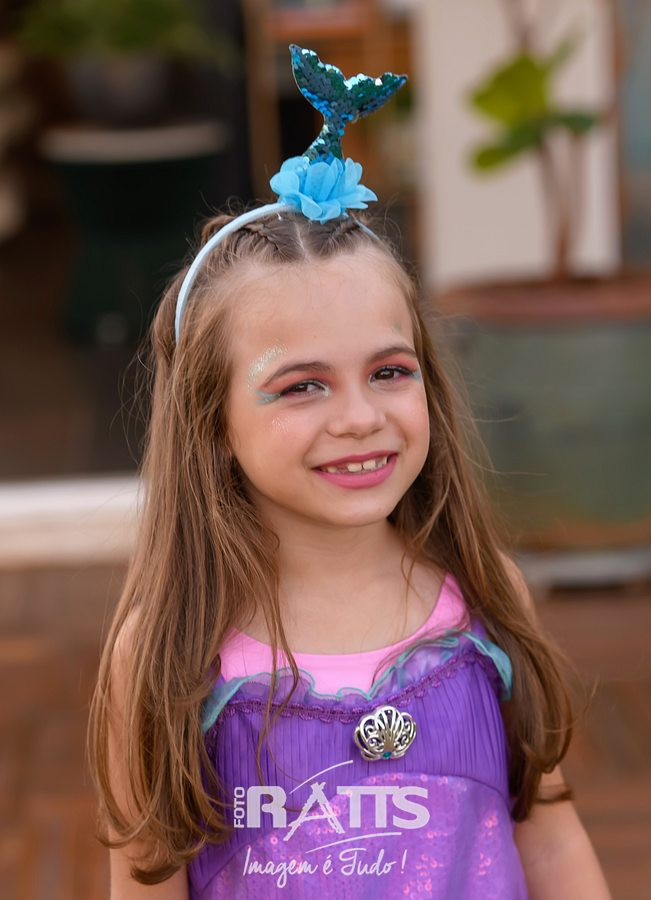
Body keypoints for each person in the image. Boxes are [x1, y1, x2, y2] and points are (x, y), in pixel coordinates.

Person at [87, 46, 610, 899]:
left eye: (388, 372)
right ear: (212, 422)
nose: (359, 417)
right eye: (303, 386)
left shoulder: (486, 600)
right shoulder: (165, 653)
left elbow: (549, 835)